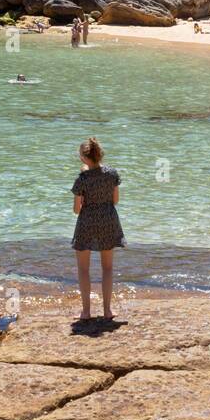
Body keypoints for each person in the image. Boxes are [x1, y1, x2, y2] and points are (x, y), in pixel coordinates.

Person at [71, 137, 125, 321]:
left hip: (87, 222)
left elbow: (77, 209)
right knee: (107, 267)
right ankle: (107, 311)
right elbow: (115, 200)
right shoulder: (112, 174)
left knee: (83, 268)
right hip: (108, 220)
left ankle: (86, 312)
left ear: (84, 158)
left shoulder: (82, 179)